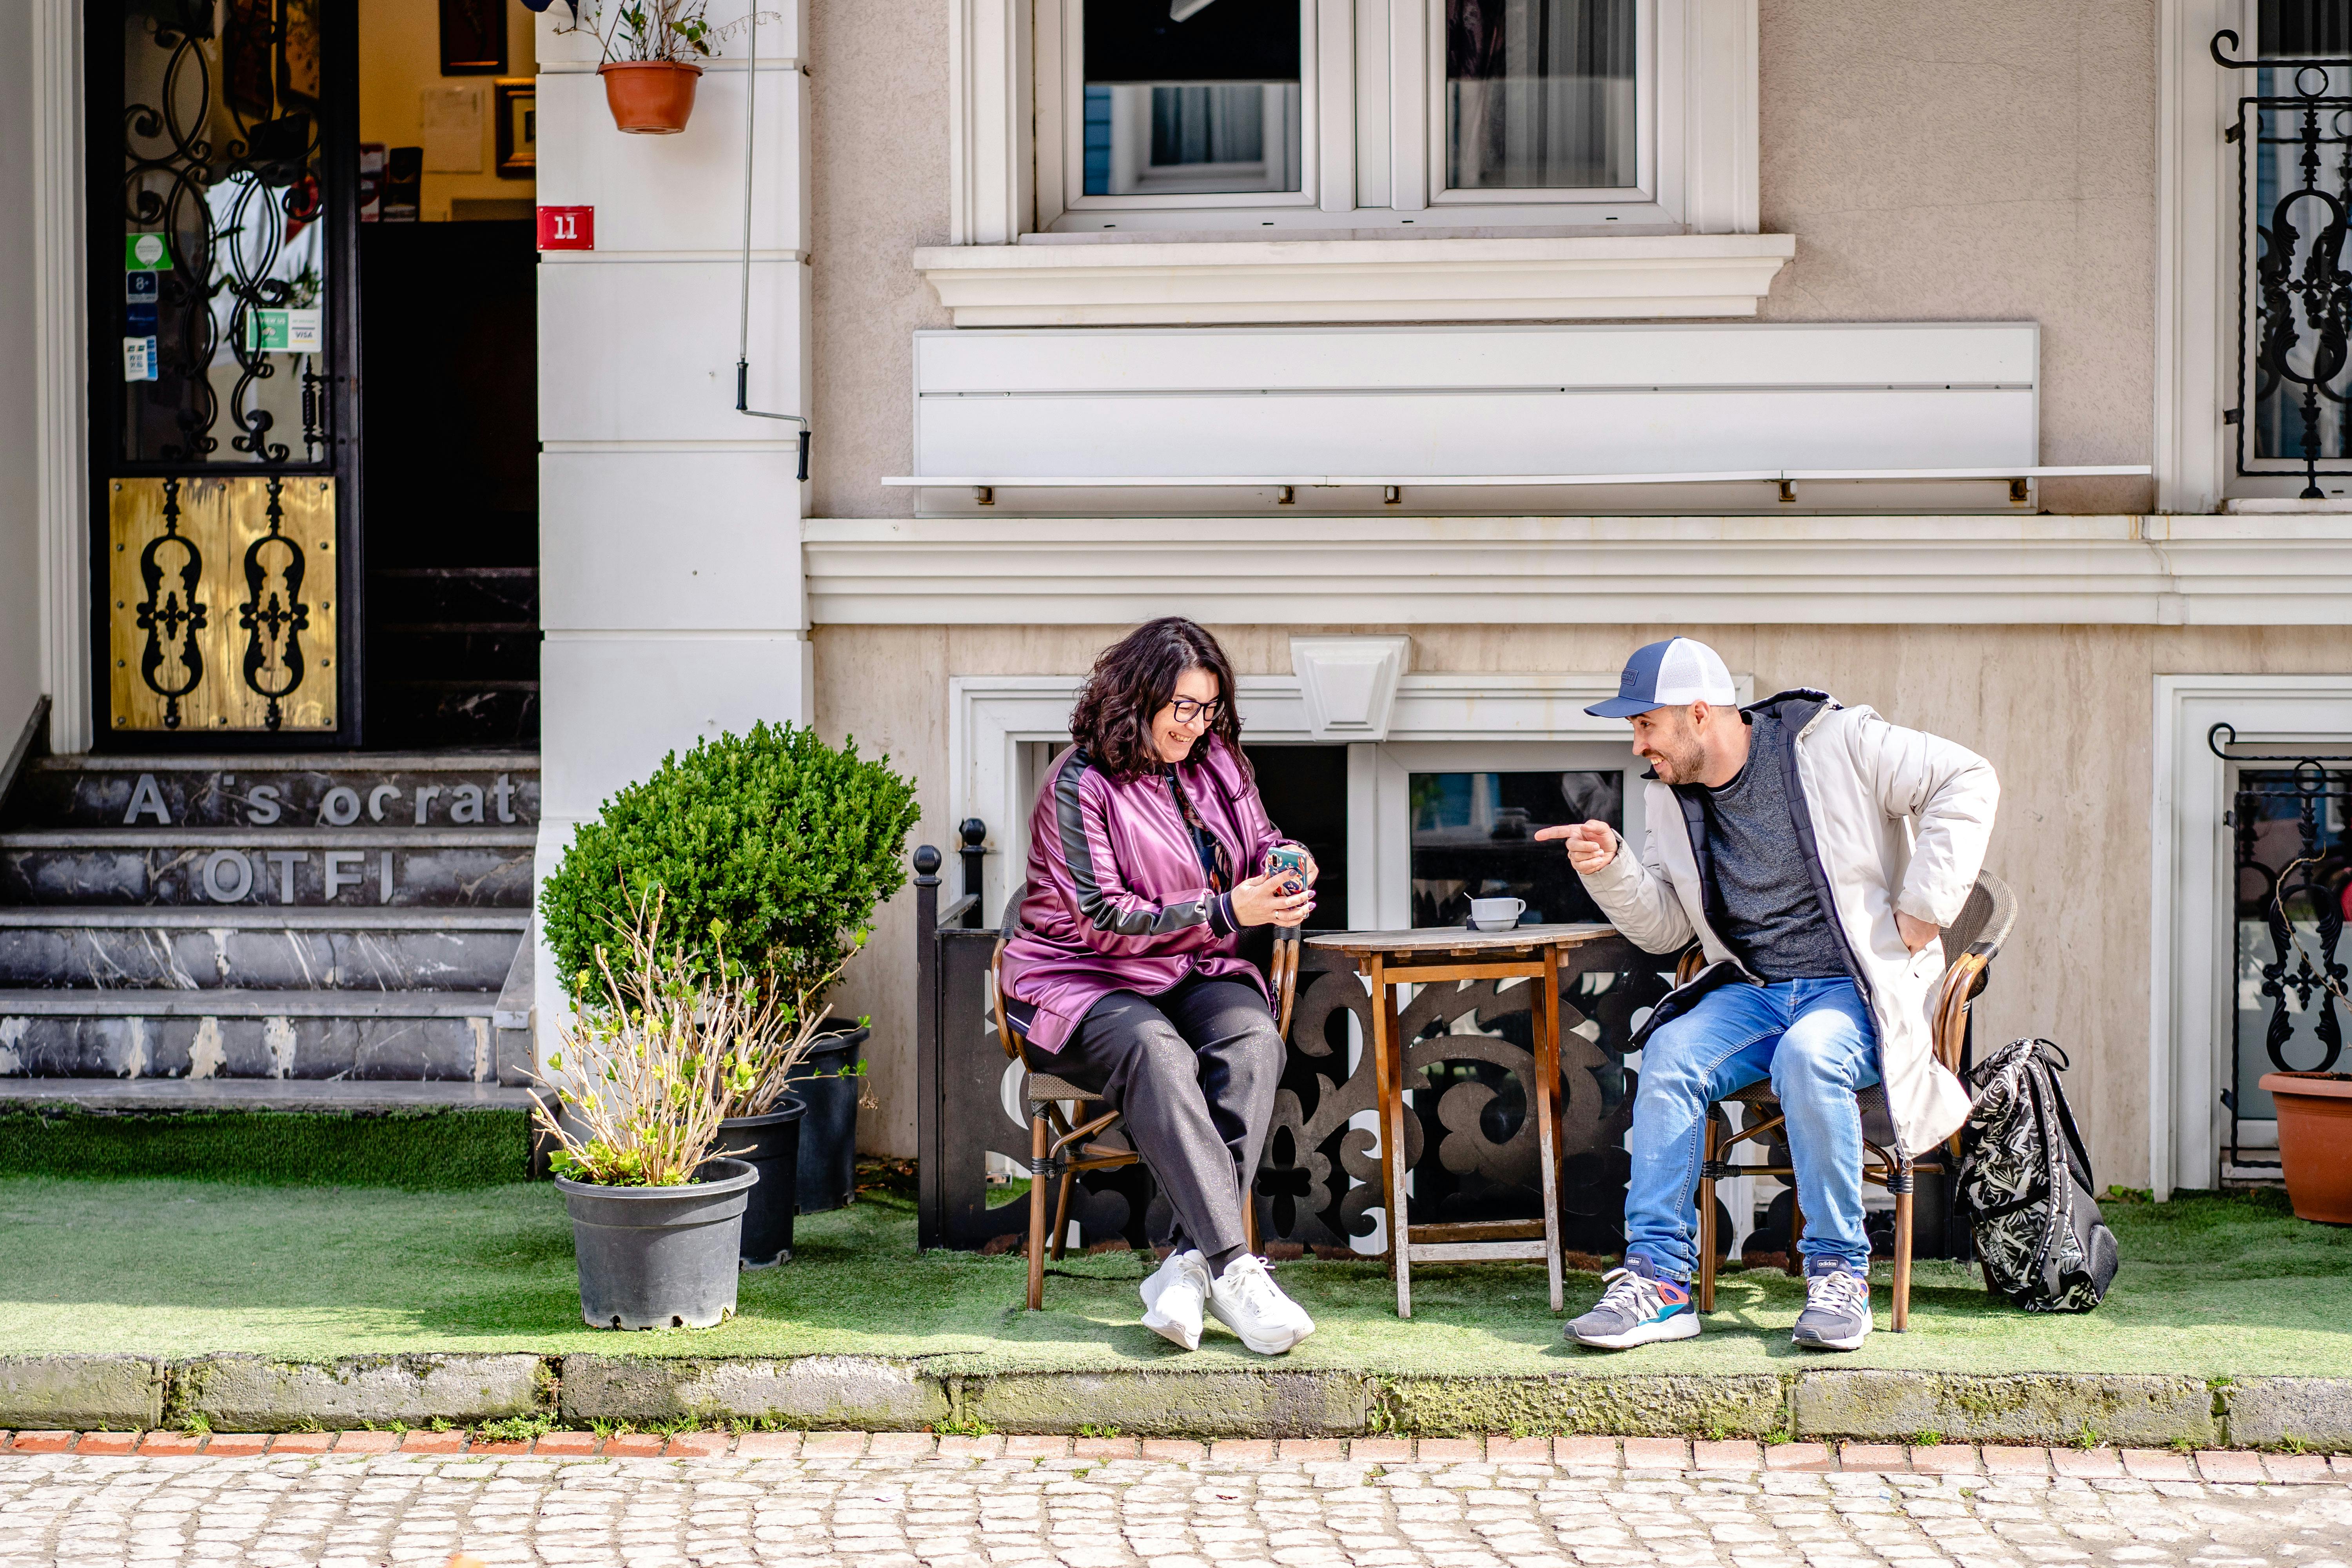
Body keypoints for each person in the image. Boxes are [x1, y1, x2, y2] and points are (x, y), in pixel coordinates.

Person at [1538, 637, 1997, 1352]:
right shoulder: (1669, 797)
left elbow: (1968, 777)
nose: (1636, 747)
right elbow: (1666, 932)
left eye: (1644, 725)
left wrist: (1925, 906)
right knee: (1670, 1054)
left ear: (1698, 714)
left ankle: (1839, 1275)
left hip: (1855, 990)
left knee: (1810, 1057)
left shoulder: (1838, 742)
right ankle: (1660, 1284)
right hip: (1754, 990)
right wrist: (1613, 869)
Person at [999, 617, 1321, 1356]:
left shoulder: (1220, 762)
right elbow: (1104, 918)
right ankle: (1236, 1267)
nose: (1198, 725)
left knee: (1251, 1042)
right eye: (1184, 708)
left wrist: (1288, 861)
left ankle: (1185, 1265)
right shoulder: (1077, 784)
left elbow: (1261, 838)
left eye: (1209, 709)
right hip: (1077, 980)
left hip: (1188, 967)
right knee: (1160, 1052)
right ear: (1136, 696)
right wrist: (1225, 910)